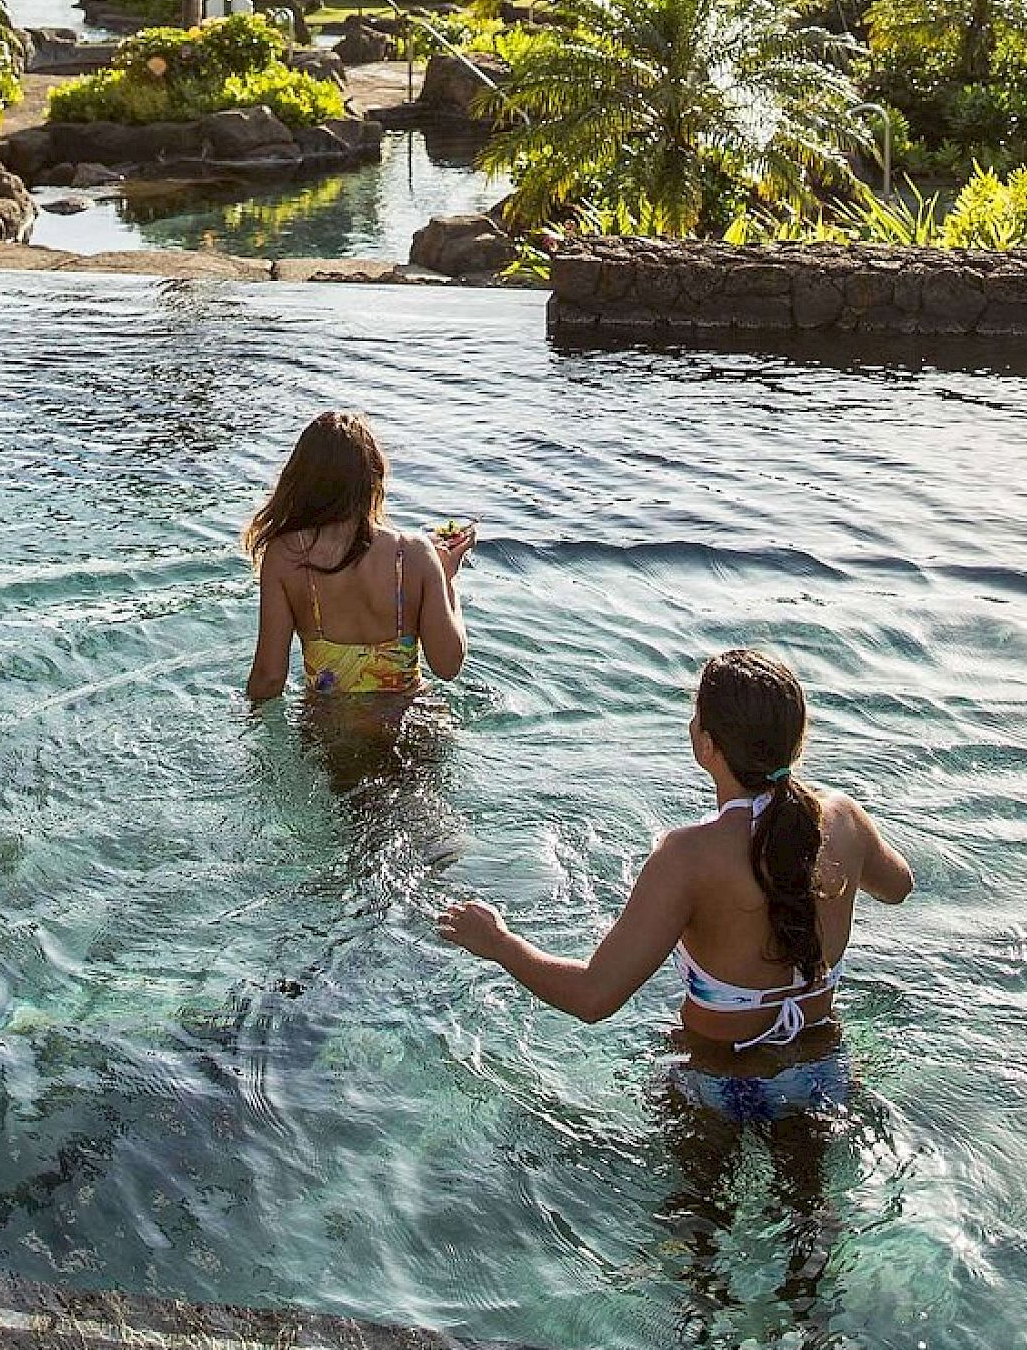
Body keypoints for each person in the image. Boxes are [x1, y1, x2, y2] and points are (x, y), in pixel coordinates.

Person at [438, 646, 912, 1121]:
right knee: (810, 1171)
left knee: (690, 1178)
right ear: (798, 738)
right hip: (821, 1066)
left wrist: (499, 943)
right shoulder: (843, 820)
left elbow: (593, 997)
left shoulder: (687, 857)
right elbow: (898, 887)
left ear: (706, 745)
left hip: (715, 1079)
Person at [244, 410, 472, 705]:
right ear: (374, 479)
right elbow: (448, 666)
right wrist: (447, 578)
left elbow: (269, 677)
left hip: (327, 725)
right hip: (410, 720)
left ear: (300, 479)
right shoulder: (416, 554)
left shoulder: (286, 556)